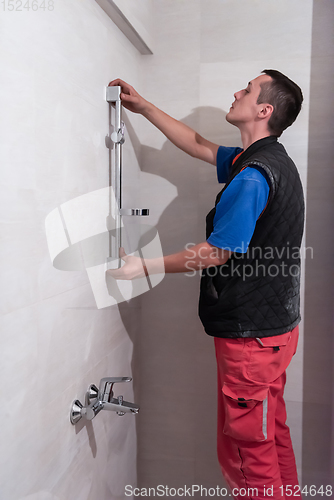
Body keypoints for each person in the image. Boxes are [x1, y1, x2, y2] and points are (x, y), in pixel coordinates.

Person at [107, 70, 304, 500]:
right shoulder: (270, 161)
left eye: (248, 90)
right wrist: (144, 108)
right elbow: (199, 145)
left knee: (246, 454)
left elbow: (217, 252)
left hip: (251, 339)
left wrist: (142, 266)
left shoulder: (253, 175)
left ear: (263, 110)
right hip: (276, 331)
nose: (237, 91)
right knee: (271, 435)